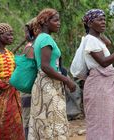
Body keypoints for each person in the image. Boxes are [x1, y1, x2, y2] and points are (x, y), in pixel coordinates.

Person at [81, 9, 114, 140]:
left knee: (107, 120)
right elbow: (103, 62)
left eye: (104, 19)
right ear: (90, 23)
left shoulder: (95, 39)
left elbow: (108, 43)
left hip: (103, 86)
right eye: (100, 19)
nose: (104, 22)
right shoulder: (90, 40)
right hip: (99, 86)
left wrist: (97, 31)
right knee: (100, 122)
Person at [28, 8, 76, 140]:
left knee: (47, 122)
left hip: (46, 84)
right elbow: (45, 66)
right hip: (48, 85)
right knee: (52, 122)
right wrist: (67, 80)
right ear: (45, 22)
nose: (59, 23)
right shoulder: (45, 39)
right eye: (55, 20)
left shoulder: (41, 38)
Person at [0, 23, 25, 140]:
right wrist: (5, 83)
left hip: (12, 93)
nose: (12, 37)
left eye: (12, 34)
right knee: (1, 124)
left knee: (15, 121)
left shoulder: (10, 54)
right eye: (9, 34)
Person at [21, 17, 39, 140]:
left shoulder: (37, 45)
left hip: (34, 90)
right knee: (28, 121)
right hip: (28, 91)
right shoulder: (30, 47)